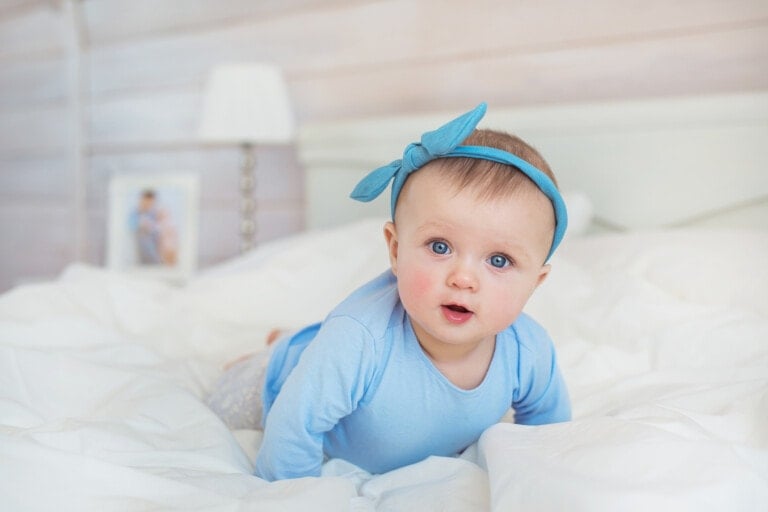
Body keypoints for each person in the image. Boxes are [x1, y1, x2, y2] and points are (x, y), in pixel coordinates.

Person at [207, 102, 571, 481]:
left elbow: (550, 436)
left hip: (333, 362)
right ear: (396, 250)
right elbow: (291, 428)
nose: (463, 278)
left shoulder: (529, 352)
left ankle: (293, 338)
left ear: (535, 282)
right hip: (281, 384)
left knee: (326, 357)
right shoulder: (359, 339)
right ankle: (276, 352)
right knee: (224, 399)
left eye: (498, 260)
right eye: (440, 247)